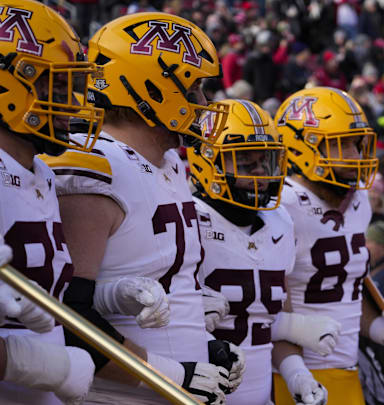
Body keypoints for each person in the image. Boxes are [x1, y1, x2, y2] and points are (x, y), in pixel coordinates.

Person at [41, 12, 244, 404]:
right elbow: (67, 313)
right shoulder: (96, 164)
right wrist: (169, 374)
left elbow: (163, 287)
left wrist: (204, 345)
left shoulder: (168, 163)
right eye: (195, 88)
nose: (204, 102)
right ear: (151, 88)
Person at [273, 86, 384, 405]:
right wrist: (295, 371)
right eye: (342, 145)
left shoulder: (359, 203)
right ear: (303, 147)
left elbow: (349, 294)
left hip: (346, 370)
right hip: (289, 377)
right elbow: (268, 307)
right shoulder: (281, 206)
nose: (356, 156)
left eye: (356, 144)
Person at [188, 99, 340, 405]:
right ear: (208, 161)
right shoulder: (189, 219)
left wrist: (296, 371)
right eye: (245, 162)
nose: (260, 174)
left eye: (266, 161)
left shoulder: (280, 222)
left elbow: (270, 321)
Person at [0, 1, 104, 403]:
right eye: (56, 87)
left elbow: (47, 288)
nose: (72, 103)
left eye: (72, 87)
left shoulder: (39, 169)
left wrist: (115, 294)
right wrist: (47, 366)